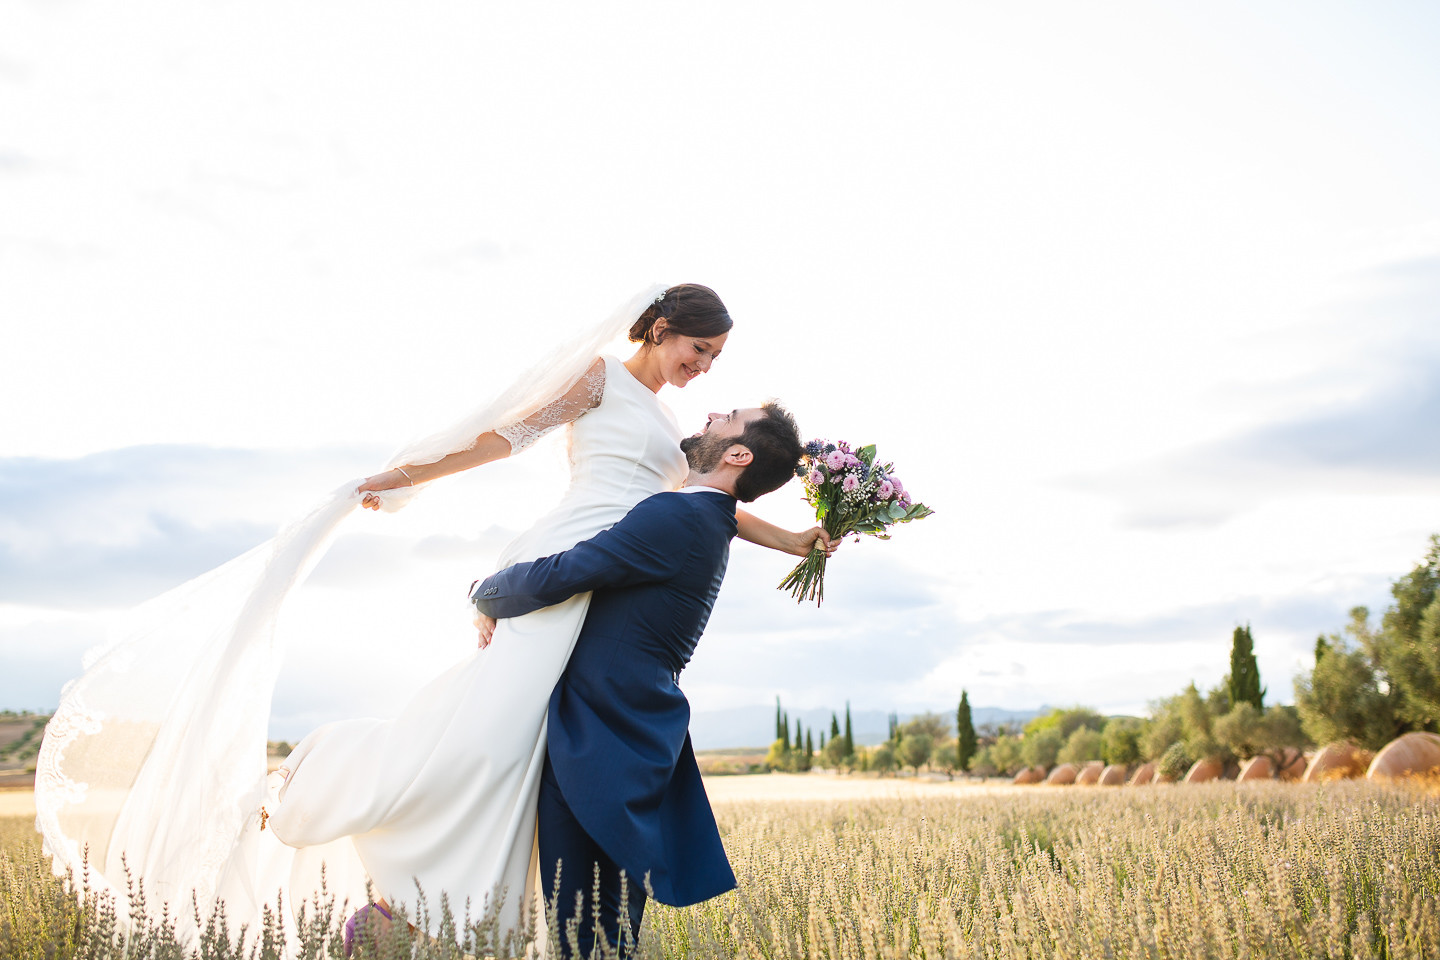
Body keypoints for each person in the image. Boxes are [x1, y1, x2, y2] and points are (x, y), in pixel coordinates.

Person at [261, 284, 833, 939]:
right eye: (699, 348)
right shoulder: (601, 379)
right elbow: (506, 438)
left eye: (716, 359)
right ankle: (324, 778)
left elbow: (711, 504)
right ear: (660, 328)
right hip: (564, 562)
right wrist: (408, 475)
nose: (703, 367)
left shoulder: (679, 437)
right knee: (486, 730)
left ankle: (427, 911)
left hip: (607, 578)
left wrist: (790, 540)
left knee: (522, 752)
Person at [471, 401, 804, 957]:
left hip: (601, 731)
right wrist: (790, 539)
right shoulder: (708, 520)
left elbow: (570, 570)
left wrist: (486, 590)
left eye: (726, 420)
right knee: (604, 927)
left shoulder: (677, 518)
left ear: (737, 453)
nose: (711, 418)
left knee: (583, 924)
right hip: (633, 729)